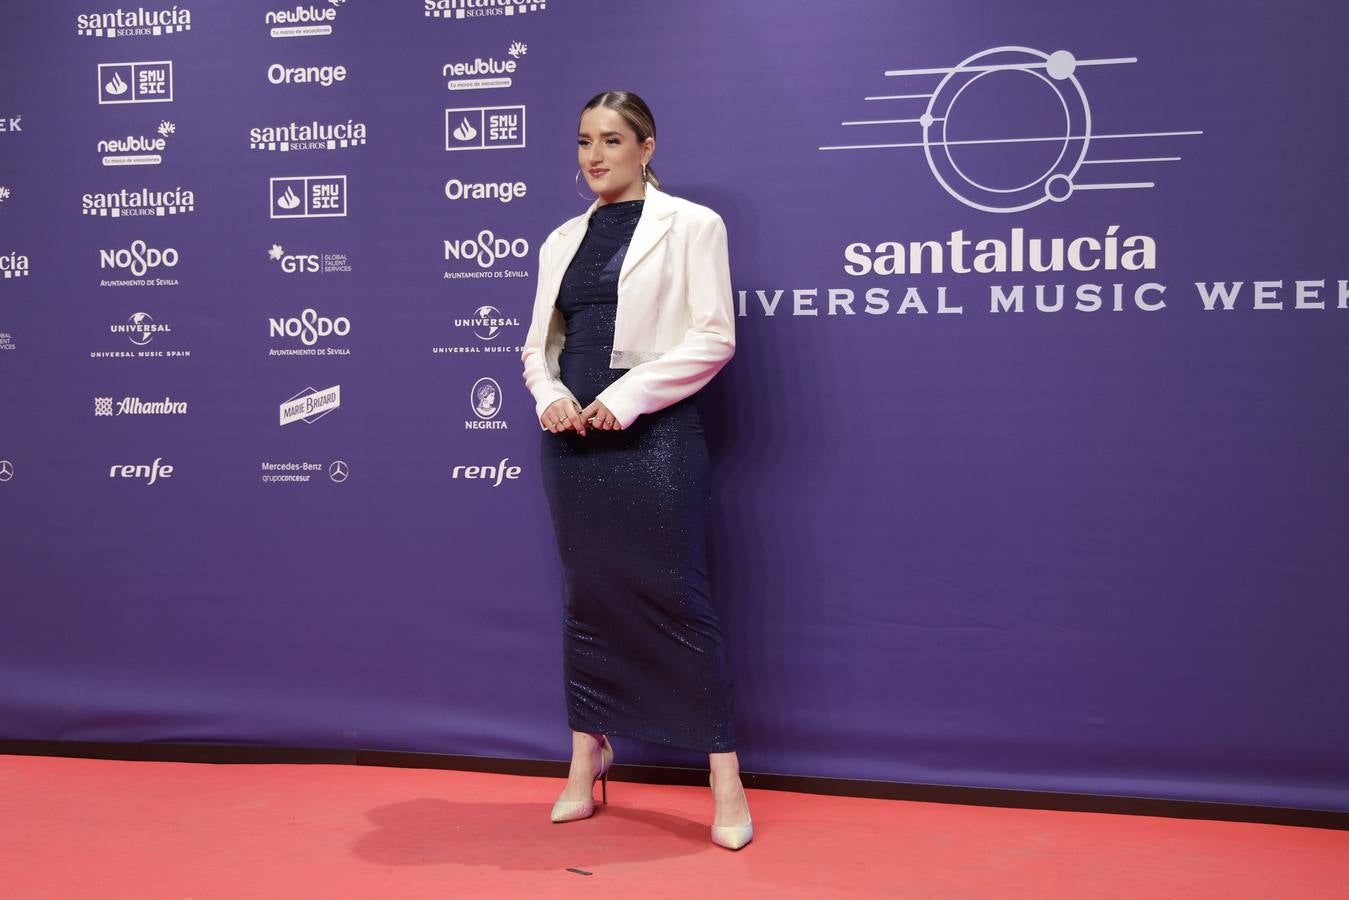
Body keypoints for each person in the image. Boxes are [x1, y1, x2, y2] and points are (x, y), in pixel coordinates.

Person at [520, 90, 752, 850]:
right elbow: (538, 348)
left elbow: (713, 337)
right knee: (587, 599)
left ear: (646, 148)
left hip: (651, 432)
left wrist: (626, 398)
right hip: (572, 443)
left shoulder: (692, 225)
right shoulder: (559, 239)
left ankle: (724, 776)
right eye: (584, 140)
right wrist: (551, 397)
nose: (594, 155)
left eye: (612, 140)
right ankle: (587, 756)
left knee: (678, 599)